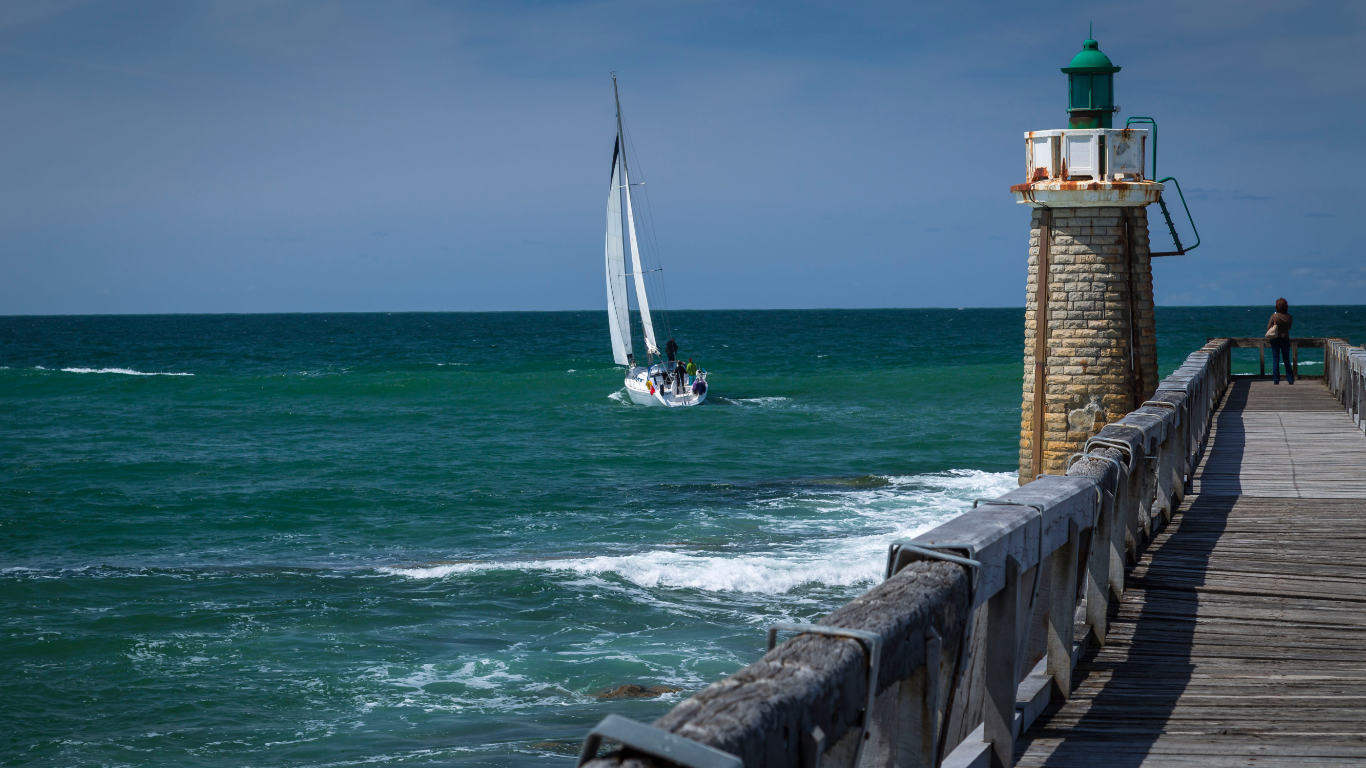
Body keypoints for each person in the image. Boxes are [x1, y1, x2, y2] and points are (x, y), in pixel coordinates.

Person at [1266, 298, 1294, 385]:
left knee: (1276, 359)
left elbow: (1268, 327)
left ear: (1277, 306)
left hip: (1275, 339)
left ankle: (1276, 380)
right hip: (1285, 338)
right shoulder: (1289, 317)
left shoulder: (1274, 316)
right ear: (1286, 307)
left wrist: (1274, 324)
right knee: (1286, 359)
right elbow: (1289, 327)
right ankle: (1290, 379)